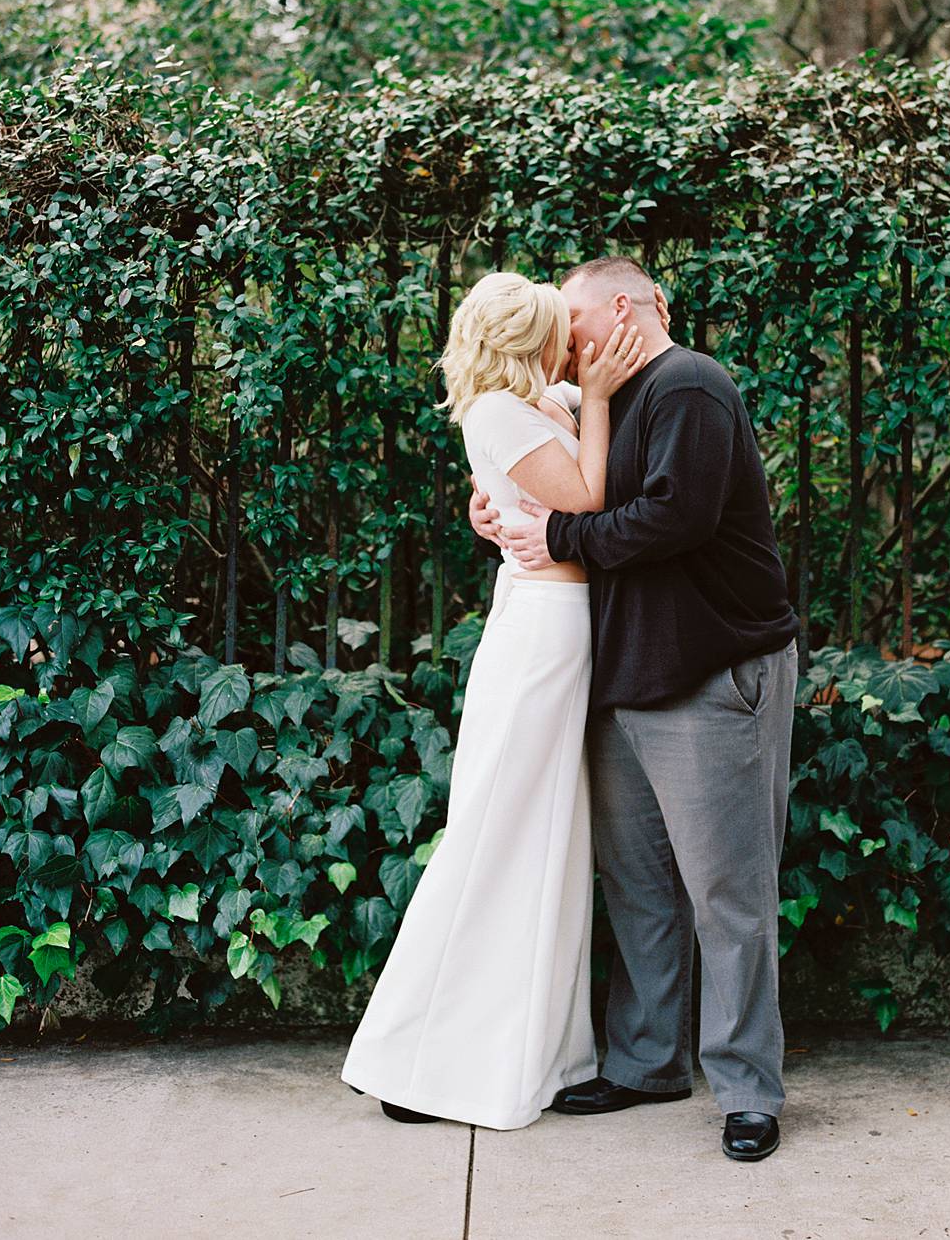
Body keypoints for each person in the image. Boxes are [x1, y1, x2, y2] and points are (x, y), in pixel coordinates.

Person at [472, 256, 800, 1162]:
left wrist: (557, 533)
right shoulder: (594, 399)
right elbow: (555, 481)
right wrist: (502, 511)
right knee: (643, 889)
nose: (561, 345)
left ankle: (746, 1090)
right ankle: (649, 1061)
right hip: (624, 675)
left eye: (572, 325)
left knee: (728, 893)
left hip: (712, 671)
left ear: (622, 309)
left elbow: (674, 516)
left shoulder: (691, 384)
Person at [341, 270, 646, 1130]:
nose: (573, 345)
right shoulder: (503, 413)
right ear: (531, 339)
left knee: (544, 834)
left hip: (559, 617)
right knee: (501, 826)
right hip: (545, 630)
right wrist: (593, 397)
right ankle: (419, 1054)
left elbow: (543, 494)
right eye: (559, 329)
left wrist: (566, 417)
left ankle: (518, 1050)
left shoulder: (532, 402)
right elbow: (587, 497)